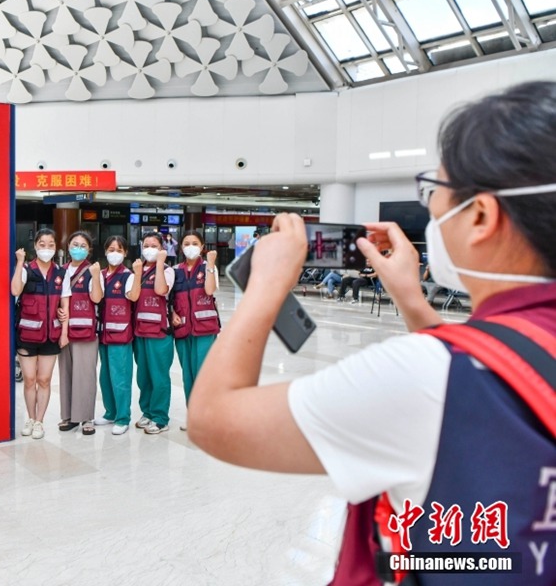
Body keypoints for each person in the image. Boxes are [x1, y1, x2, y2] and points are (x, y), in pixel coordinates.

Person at [188, 81, 556, 584]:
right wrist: (411, 298)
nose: (430, 214)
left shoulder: (419, 378)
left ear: (481, 216)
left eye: (435, 194)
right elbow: (499, 366)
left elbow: (213, 420)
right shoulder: (461, 365)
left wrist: (265, 286)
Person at [11, 229, 64, 440]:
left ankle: (40, 421)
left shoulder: (60, 273)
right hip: (27, 335)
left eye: (51, 244)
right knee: (30, 379)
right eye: (42, 244)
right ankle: (30, 418)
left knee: (44, 379)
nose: (46, 248)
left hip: (51, 335)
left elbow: (65, 303)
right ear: (36, 246)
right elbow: (15, 290)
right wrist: (19, 261)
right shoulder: (26, 269)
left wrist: (65, 327)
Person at [170, 231, 219, 430]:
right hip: (183, 329)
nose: (190, 246)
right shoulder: (175, 271)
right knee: (187, 374)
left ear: (202, 246)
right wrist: (171, 312)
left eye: (195, 243)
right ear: (181, 247)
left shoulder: (209, 267)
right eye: (187, 243)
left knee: (203, 374)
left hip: (205, 330)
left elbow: (209, 290)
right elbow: (170, 298)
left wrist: (211, 264)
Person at [94, 236, 142, 435]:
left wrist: (138, 274)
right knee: (105, 376)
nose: (114, 253)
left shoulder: (127, 275)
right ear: (105, 252)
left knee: (120, 377)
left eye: (119, 250)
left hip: (121, 334)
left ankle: (123, 417)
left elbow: (134, 296)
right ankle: (110, 412)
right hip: (103, 333)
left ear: (125, 253)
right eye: (111, 249)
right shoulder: (100, 274)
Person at [58, 231, 104, 435]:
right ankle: (68, 416)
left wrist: (95, 277)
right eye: (74, 244)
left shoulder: (94, 271)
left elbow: (96, 298)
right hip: (64, 331)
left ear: (89, 250)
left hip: (86, 331)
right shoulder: (61, 271)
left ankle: (86, 417)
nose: (78, 248)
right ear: (68, 247)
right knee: (66, 373)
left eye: (82, 246)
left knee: (85, 375)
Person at [133, 232, 175, 434]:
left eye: (154, 246)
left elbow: (160, 290)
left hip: (160, 332)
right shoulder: (137, 270)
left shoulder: (167, 271)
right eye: (146, 245)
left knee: (159, 376)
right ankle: (147, 411)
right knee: (143, 376)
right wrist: (139, 272)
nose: (149, 249)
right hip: (140, 330)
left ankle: (160, 417)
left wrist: (159, 264)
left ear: (162, 249)